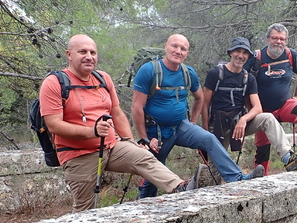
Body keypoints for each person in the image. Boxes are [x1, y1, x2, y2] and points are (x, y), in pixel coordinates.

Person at [39, 34, 194, 212]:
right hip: (78, 154)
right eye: (82, 52)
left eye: (93, 52)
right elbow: (54, 125)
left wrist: (130, 142)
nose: (89, 56)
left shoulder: (103, 78)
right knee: (84, 210)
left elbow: (117, 114)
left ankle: (181, 188)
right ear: (69, 54)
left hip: (112, 147)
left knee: (144, 158)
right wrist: (92, 131)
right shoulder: (54, 83)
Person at [132, 34, 263, 198]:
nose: (178, 51)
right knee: (155, 171)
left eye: (183, 49)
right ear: (166, 46)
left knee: (209, 139)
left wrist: (193, 122)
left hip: (181, 126)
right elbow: (137, 107)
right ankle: (144, 201)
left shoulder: (189, 73)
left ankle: (237, 179)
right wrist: (143, 138)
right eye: (174, 46)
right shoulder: (149, 70)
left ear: (187, 52)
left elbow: (200, 98)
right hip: (156, 131)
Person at [202, 37, 297, 174]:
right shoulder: (215, 74)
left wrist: (243, 119)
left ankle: (288, 157)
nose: (240, 56)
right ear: (231, 53)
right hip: (218, 127)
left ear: (248, 56)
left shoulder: (248, 78)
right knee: (215, 172)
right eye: (237, 51)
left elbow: (257, 108)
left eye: (244, 53)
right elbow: (205, 104)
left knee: (267, 118)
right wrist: (205, 133)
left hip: (238, 124)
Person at [244, 23, 297, 173]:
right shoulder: (256, 58)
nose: (278, 42)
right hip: (263, 111)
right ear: (267, 39)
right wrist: (249, 108)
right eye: (275, 38)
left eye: (282, 39)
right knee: (262, 147)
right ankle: (261, 175)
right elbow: (244, 83)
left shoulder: (291, 55)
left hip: (284, 105)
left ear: (286, 40)